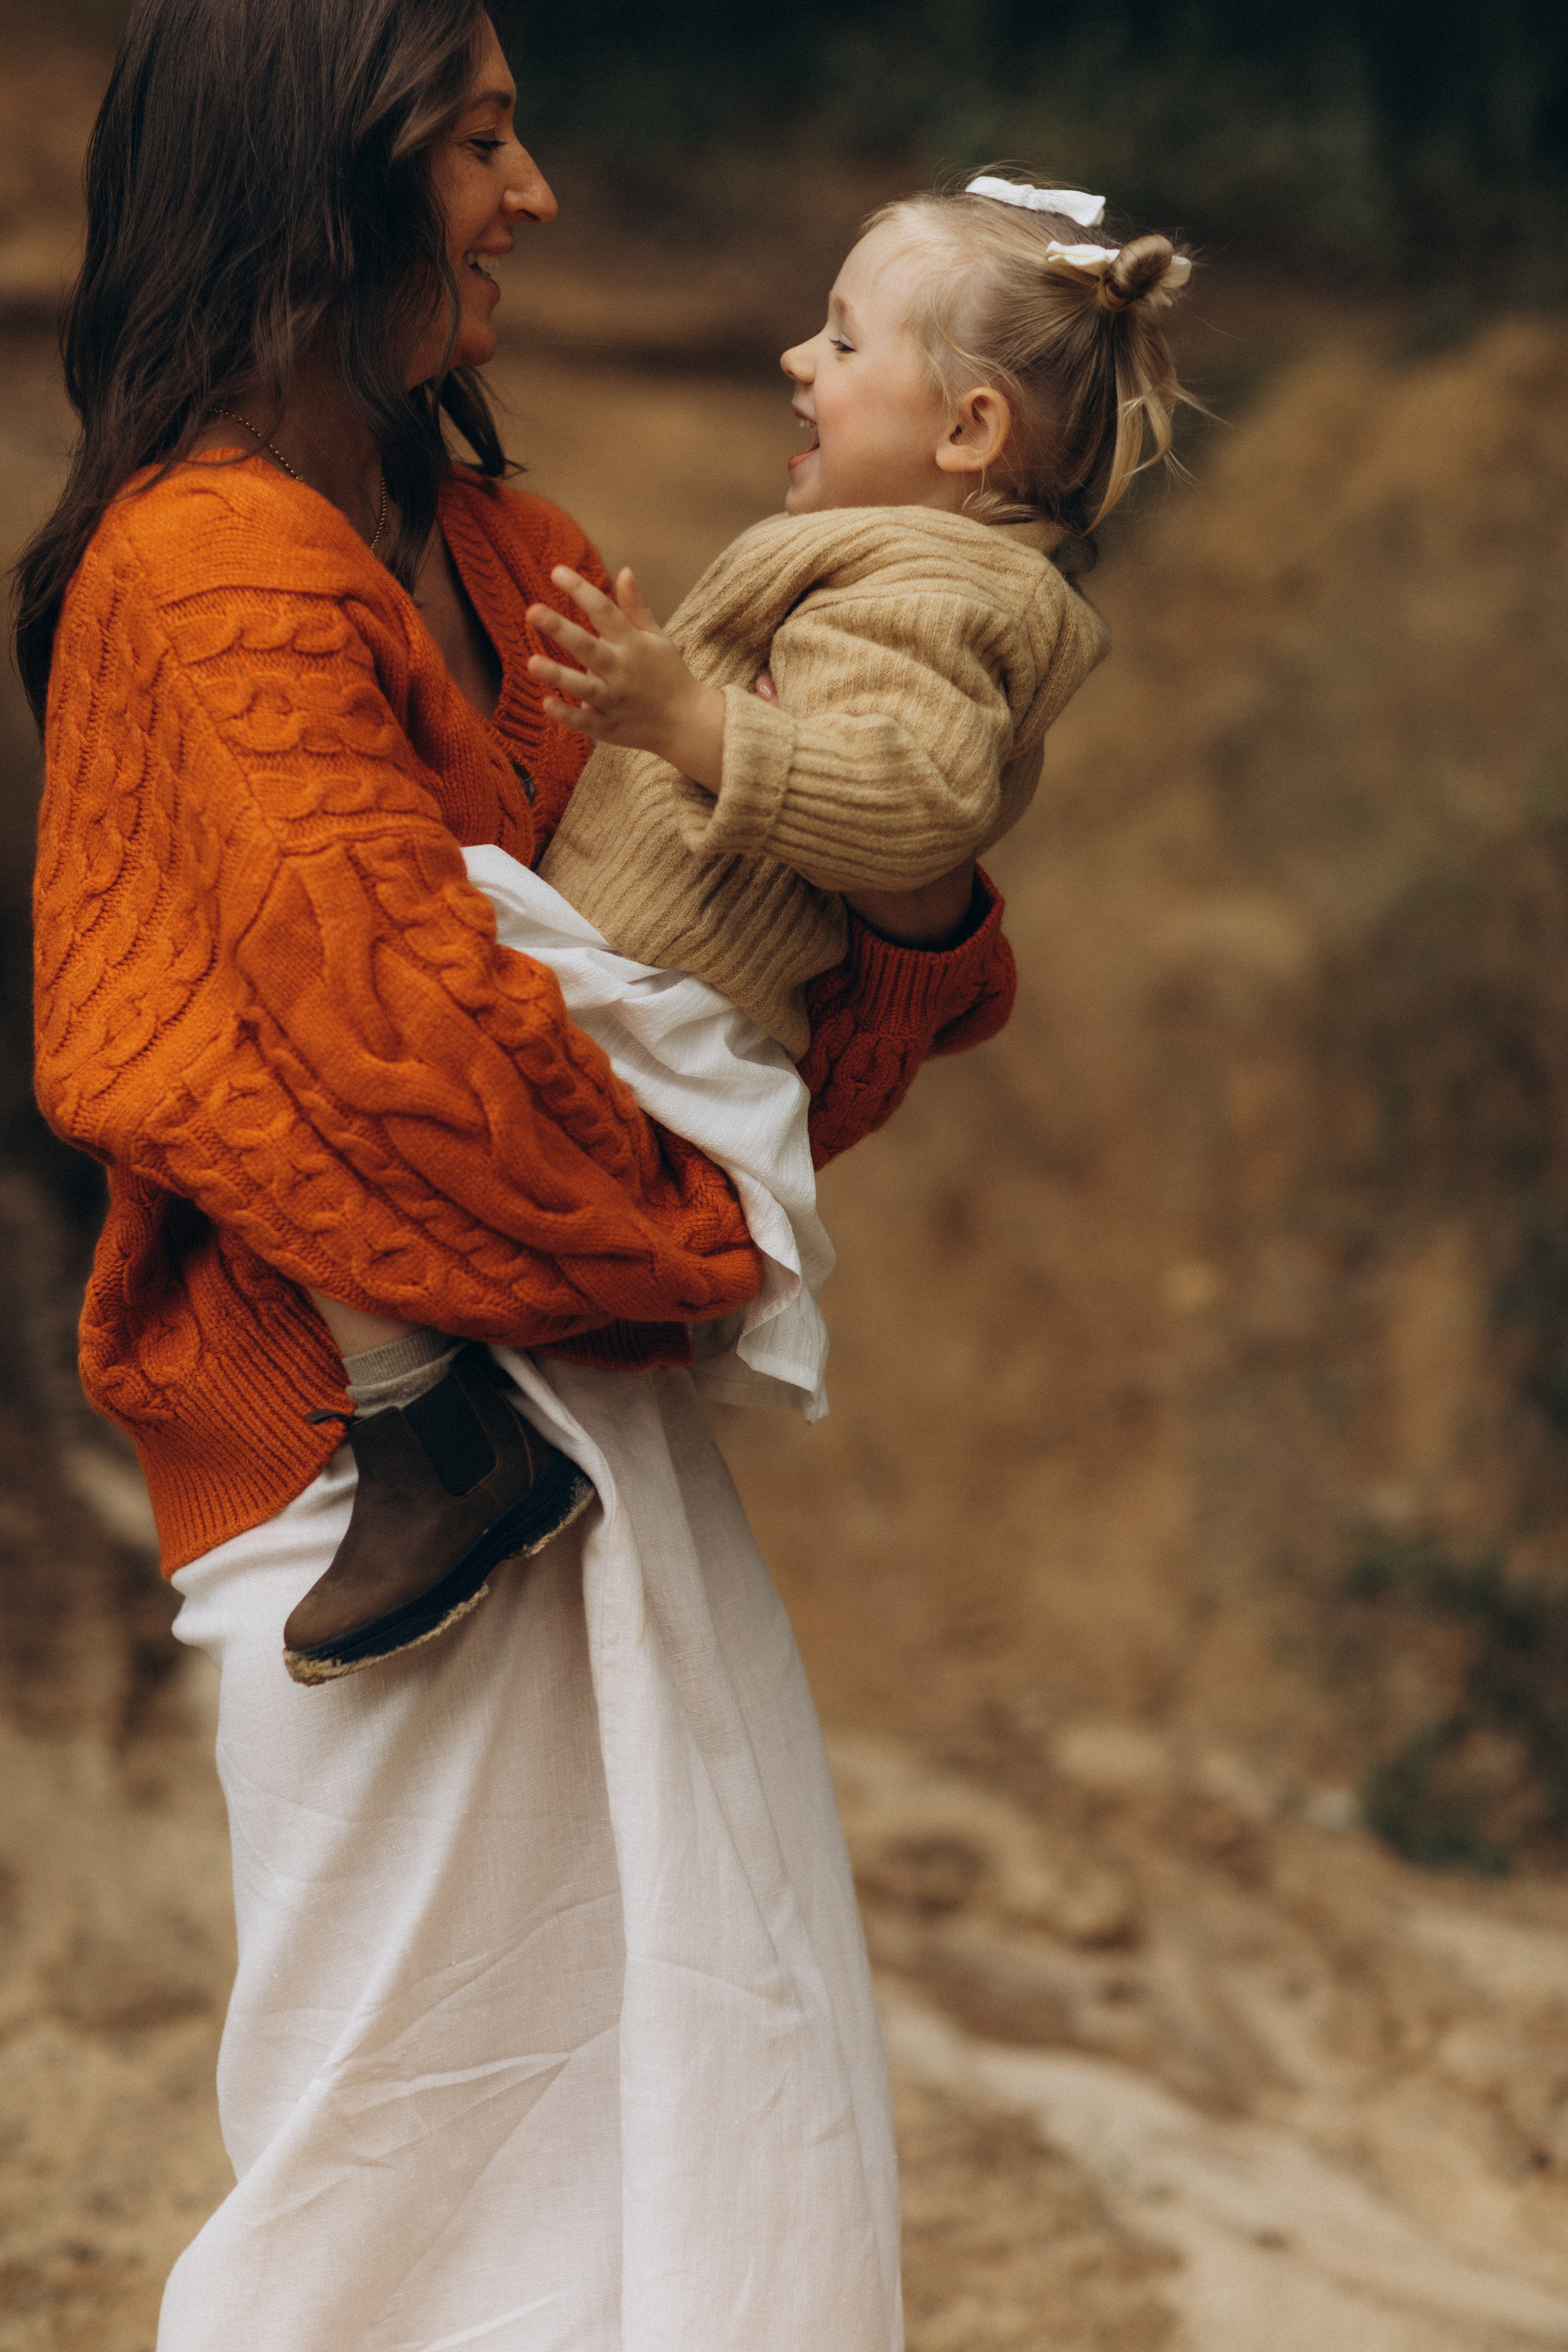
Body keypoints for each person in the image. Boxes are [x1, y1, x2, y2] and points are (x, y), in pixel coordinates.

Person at [15, 1, 1023, 2344]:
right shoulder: (203, 578)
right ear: (322, 180)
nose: (537, 188)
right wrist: (701, 1237)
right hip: (373, 1494)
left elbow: (747, 1038)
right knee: (405, 2189)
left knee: (697, 2132)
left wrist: (898, 901)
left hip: (606, 1443)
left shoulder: (524, 555)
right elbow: (411, 1072)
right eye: (481, 137)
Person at [293, 173, 1195, 1683]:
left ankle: (423, 1432)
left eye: (842, 344)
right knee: (346, 1004)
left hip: (662, 1013)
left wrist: (689, 718)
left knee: (326, 1040)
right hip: (633, 973)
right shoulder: (907, 564)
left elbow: (917, 803)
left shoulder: (940, 592)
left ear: (968, 434)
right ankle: (436, 1405)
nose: (798, 361)